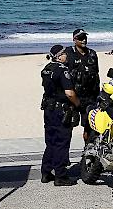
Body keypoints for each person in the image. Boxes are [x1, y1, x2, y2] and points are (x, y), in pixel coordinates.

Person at [40, 44, 81, 186]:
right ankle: (60, 176)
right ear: (58, 56)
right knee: (61, 142)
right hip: (60, 110)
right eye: (64, 53)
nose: (66, 55)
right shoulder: (62, 70)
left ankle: (46, 172)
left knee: (50, 141)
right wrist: (77, 104)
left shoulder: (46, 69)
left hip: (48, 109)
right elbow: (69, 93)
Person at [64, 29, 100, 143]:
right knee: (67, 128)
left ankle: (88, 156)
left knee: (90, 129)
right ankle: (64, 158)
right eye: (80, 38)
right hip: (73, 97)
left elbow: (96, 74)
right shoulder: (68, 53)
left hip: (90, 98)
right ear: (74, 39)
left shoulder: (93, 54)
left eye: (85, 37)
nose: (84, 40)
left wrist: (98, 94)